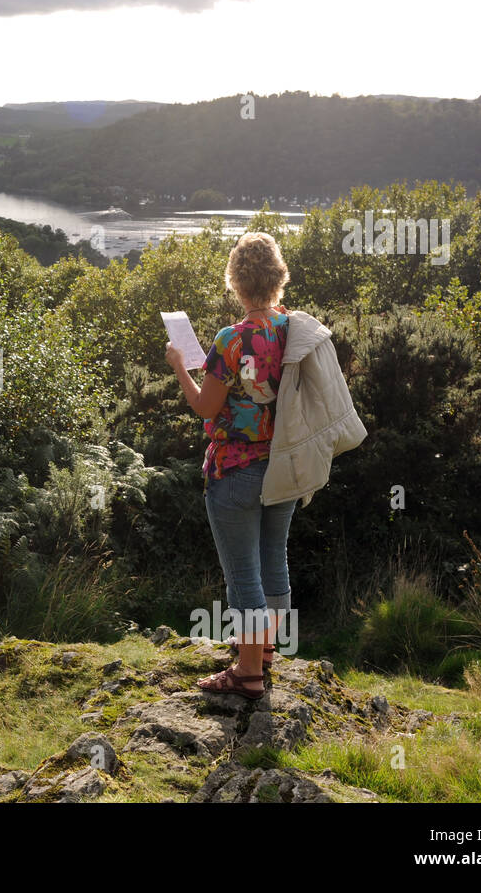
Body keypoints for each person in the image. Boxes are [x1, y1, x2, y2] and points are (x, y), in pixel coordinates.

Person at [165, 231, 297, 700]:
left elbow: (205, 407)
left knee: (243, 575)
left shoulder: (231, 340)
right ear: (278, 279)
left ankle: (247, 675)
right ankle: (262, 654)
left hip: (237, 471)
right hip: (284, 467)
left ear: (236, 283)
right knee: (274, 563)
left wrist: (181, 365)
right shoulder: (290, 329)